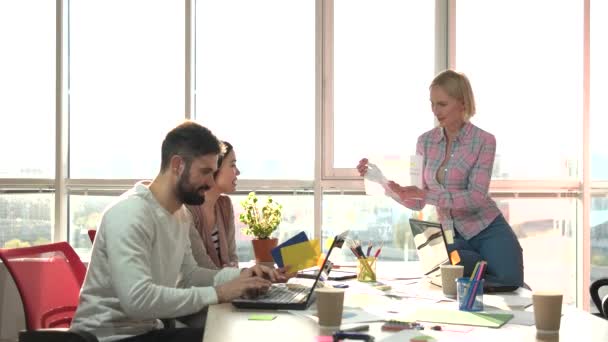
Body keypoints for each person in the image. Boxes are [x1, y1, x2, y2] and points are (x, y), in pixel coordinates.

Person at [71, 121, 285, 342]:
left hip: (147, 330)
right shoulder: (130, 213)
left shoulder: (180, 214)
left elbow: (191, 274)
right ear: (177, 165)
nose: (210, 182)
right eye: (205, 172)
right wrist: (220, 293)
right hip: (105, 338)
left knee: (235, 334)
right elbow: (137, 300)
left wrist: (243, 276)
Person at [357, 70, 524, 289]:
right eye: (432, 104)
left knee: (510, 282)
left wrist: (425, 194)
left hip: (487, 227)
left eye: (442, 104)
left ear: (463, 103)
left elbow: (475, 197)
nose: (435, 111)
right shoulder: (425, 142)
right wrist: (382, 182)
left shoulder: (484, 141)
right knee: (456, 283)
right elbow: (417, 201)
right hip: (451, 235)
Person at [187, 141, 240, 269]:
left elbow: (233, 257)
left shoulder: (225, 205)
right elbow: (200, 267)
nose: (237, 172)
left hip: (227, 285)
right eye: (232, 165)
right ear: (214, 168)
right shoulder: (188, 210)